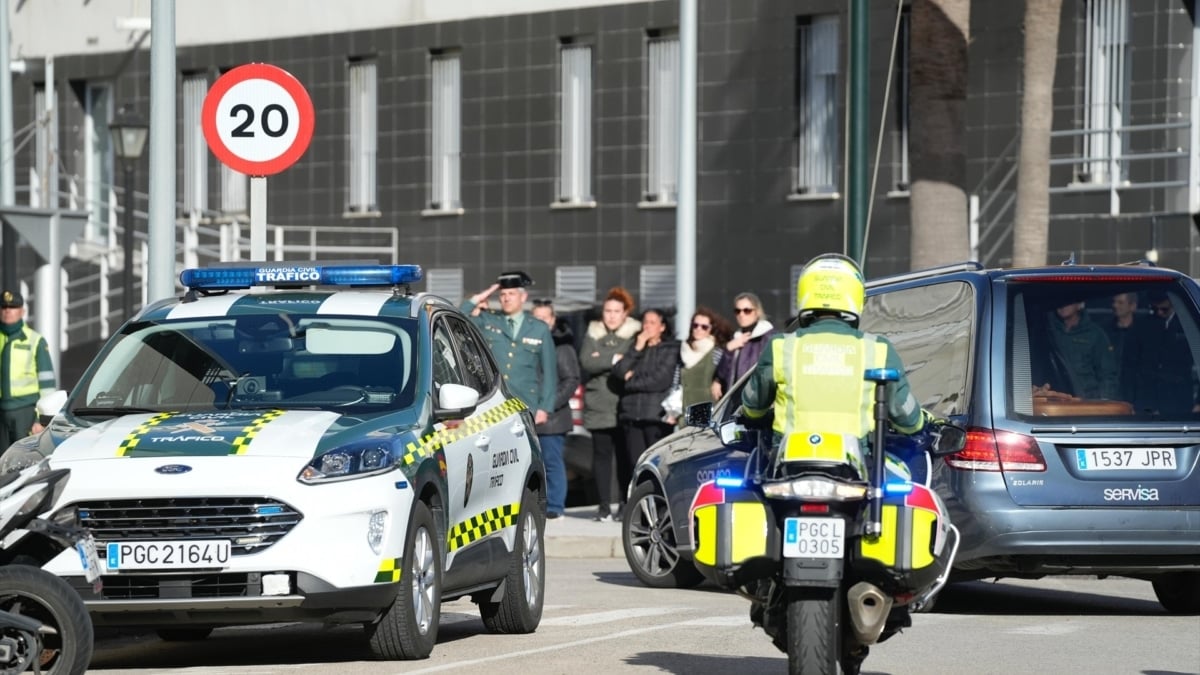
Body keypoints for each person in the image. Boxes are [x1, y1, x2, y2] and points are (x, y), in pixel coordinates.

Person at [740, 254, 931, 667]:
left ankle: (772, 595)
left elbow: (753, 406)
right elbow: (908, 416)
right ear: (855, 298)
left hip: (790, 471)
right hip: (854, 472)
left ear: (805, 294)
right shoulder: (877, 350)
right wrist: (926, 425)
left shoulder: (783, 347)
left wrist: (750, 416)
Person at [461, 271, 556, 429]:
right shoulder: (488, 320)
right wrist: (484, 294)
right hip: (494, 402)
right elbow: (461, 315)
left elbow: (549, 372)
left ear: (523, 297)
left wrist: (544, 407)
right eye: (502, 294)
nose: (506, 298)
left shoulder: (539, 328)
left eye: (511, 293)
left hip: (525, 402)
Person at [579, 287, 640, 521]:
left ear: (625, 314)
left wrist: (602, 359)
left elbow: (629, 362)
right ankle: (603, 506)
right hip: (598, 405)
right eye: (608, 311)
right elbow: (586, 362)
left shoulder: (634, 334)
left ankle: (625, 505)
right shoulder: (592, 332)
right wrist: (614, 359)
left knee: (626, 458)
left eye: (617, 311)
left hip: (624, 404)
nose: (612, 316)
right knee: (601, 457)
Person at [612, 308, 679, 517]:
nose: (647, 326)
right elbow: (619, 372)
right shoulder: (636, 347)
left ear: (662, 326)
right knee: (635, 464)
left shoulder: (669, 349)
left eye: (652, 322)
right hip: (631, 414)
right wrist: (638, 347)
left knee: (656, 466)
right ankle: (637, 510)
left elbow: (660, 380)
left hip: (655, 416)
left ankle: (659, 509)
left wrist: (630, 381)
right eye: (645, 322)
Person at [531, 298, 580, 520]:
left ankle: (556, 506)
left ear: (552, 320)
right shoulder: (526, 345)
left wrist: (547, 405)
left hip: (552, 419)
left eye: (544, 318)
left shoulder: (562, 347)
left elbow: (571, 381)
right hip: (529, 417)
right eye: (536, 318)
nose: (540, 322)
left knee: (552, 463)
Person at [0, 290, 56, 450]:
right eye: (3, 307)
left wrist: (41, 420)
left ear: (22, 311)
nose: (7, 311)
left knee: (24, 462)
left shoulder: (35, 341)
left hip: (26, 413)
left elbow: (47, 385)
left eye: (13, 307)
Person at [1044, 298, 1118, 400]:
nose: (1062, 305)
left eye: (1067, 300)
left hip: (1086, 403)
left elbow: (1107, 374)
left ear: (1079, 304)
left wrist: (1104, 403)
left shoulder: (1095, 334)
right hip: (1054, 402)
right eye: (1059, 300)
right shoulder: (1047, 331)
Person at [675, 306, 733, 426]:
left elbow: (723, 373)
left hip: (707, 410)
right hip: (684, 411)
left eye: (704, 327)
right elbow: (676, 382)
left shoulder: (716, 351)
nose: (698, 329)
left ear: (711, 329)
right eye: (695, 325)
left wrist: (717, 381)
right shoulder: (684, 350)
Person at [712, 292, 776, 400]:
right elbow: (723, 376)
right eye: (737, 311)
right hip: (735, 402)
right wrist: (728, 350)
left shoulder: (768, 338)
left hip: (759, 402)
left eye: (747, 310)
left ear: (757, 312)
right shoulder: (735, 338)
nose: (741, 314)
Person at [1103, 292, 1157, 408]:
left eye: (1120, 302)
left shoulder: (1145, 333)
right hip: (1111, 394)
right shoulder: (1105, 332)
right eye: (1114, 302)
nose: (1115, 305)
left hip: (1138, 395)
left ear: (1133, 306)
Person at [1147, 292, 1196, 415]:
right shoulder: (1149, 325)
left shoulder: (1186, 324)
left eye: (1164, 309)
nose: (1159, 313)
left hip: (1181, 394)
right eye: (1155, 309)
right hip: (1155, 395)